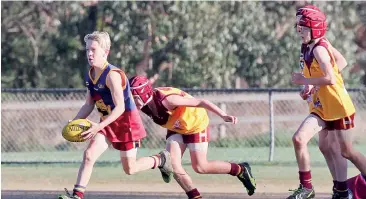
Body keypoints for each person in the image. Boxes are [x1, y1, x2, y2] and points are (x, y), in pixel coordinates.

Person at [57, 31, 173, 199]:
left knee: (130, 169)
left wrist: (98, 126)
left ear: (106, 52)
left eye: (93, 50)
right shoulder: (90, 74)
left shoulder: (112, 75)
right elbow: (89, 104)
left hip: (127, 124)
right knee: (89, 155)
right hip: (107, 122)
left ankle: (161, 160)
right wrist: (75, 121)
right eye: (87, 49)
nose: (89, 53)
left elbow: (120, 108)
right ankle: (77, 196)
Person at [129, 75, 256, 199]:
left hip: (195, 125)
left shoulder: (168, 100)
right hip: (176, 127)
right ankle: (195, 196)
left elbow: (201, 102)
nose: (133, 101)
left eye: (135, 97)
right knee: (173, 163)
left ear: (144, 93)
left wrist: (223, 115)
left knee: (200, 167)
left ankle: (241, 170)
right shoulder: (141, 103)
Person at [287, 5, 366, 199]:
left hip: (338, 106)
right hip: (321, 107)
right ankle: (316, 188)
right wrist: (312, 86)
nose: (299, 30)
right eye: (298, 26)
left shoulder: (320, 49)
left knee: (347, 151)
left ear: (315, 28)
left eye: (303, 27)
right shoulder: (309, 45)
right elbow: (341, 63)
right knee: (306, 141)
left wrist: (305, 81)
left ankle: (343, 190)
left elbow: (331, 78)